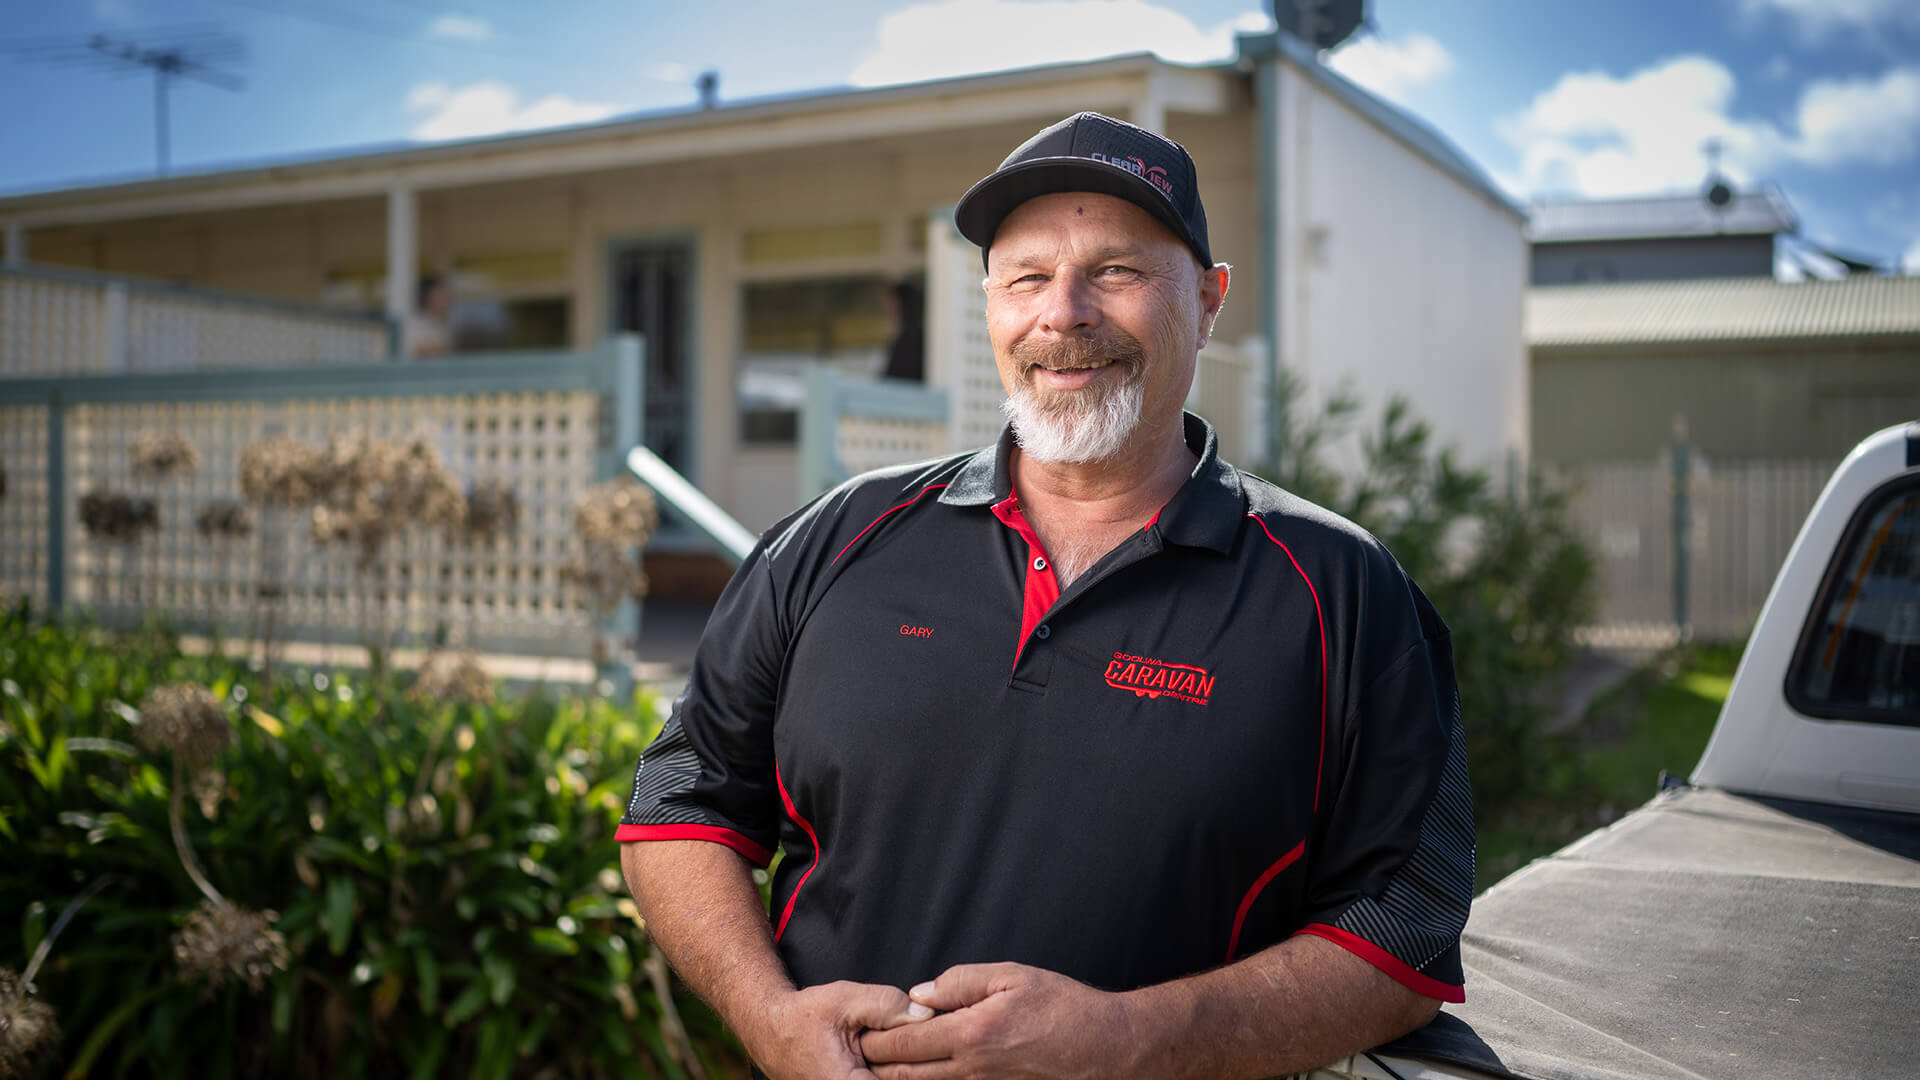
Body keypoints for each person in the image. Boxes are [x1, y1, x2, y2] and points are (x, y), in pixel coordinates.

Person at [617, 111, 1472, 1079]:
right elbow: (677, 802)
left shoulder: (1343, 594)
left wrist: (1126, 1042)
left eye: (1117, 271)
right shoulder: (837, 540)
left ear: (1208, 296)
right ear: (991, 304)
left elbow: (1404, 936)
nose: (1063, 314)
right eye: (1027, 276)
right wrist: (769, 1016)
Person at [407, 273, 453, 358]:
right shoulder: (415, 322)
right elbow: (420, 348)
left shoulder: (442, 326)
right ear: (428, 296)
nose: (448, 298)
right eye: (442, 293)